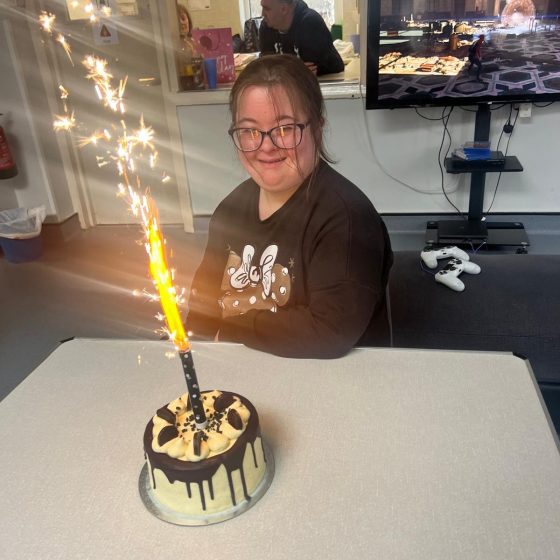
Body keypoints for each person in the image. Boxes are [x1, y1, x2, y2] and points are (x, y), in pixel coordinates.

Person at [186, 55, 393, 359]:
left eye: (284, 129)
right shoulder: (229, 211)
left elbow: (330, 332)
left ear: (317, 129)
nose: (266, 146)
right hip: (237, 372)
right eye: (249, 131)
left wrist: (232, 329)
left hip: (324, 377)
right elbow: (203, 304)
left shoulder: (347, 219)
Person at [258, 0, 344, 76]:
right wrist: (293, 70)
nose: (262, 14)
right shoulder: (266, 27)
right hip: (290, 84)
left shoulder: (310, 23)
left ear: (284, 9)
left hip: (326, 82)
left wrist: (282, 69)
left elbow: (309, 71)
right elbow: (266, 68)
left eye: (266, 9)